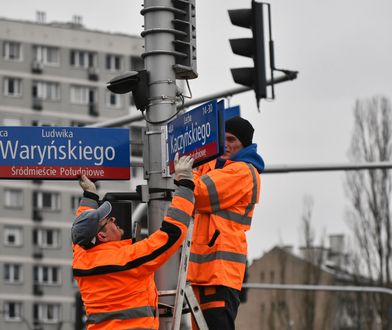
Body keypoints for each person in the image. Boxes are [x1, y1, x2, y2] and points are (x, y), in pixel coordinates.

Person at [71, 154, 194, 330]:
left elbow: (80, 230)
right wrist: (185, 185)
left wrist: (89, 196)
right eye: (108, 221)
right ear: (102, 237)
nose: (113, 219)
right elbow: (171, 234)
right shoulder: (127, 258)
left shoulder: (82, 260)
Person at [186, 116, 265, 330]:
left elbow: (199, 193)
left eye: (232, 140)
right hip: (204, 272)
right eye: (223, 139)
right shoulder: (217, 167)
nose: (226, 144)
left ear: (244, 145)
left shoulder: (244, 172)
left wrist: (186, 174)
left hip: (219, 272)